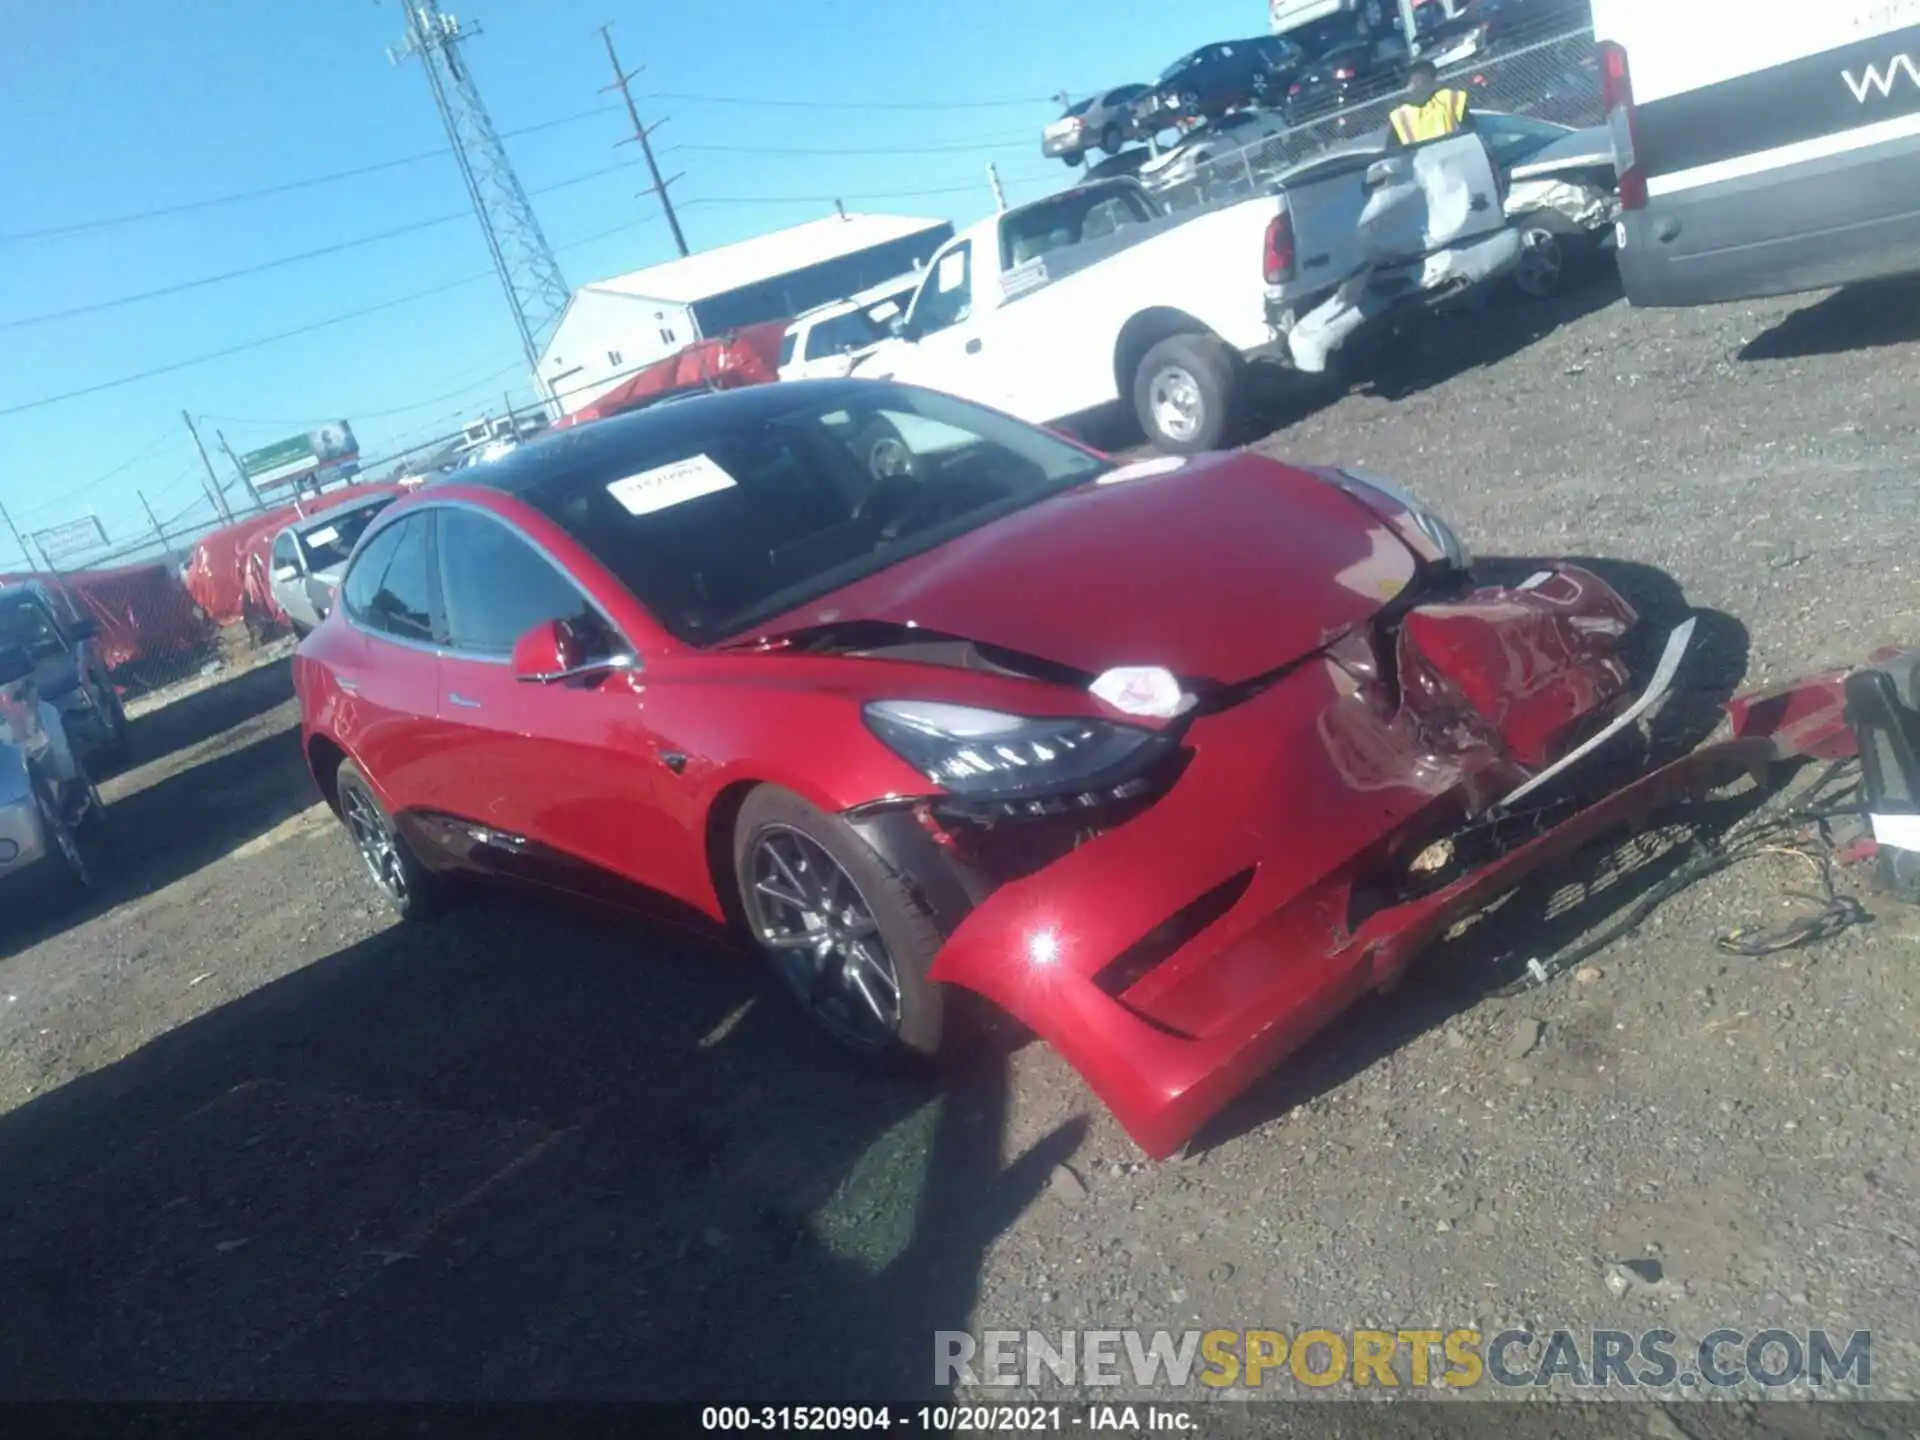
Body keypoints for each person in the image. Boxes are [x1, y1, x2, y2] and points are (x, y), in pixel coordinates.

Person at [1388, 60, 1473, 146]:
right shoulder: (1400, 116)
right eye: (1416, 83)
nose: (1419, 87)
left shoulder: (1449, 98)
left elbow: (1471, 131)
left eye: (1421, 83)